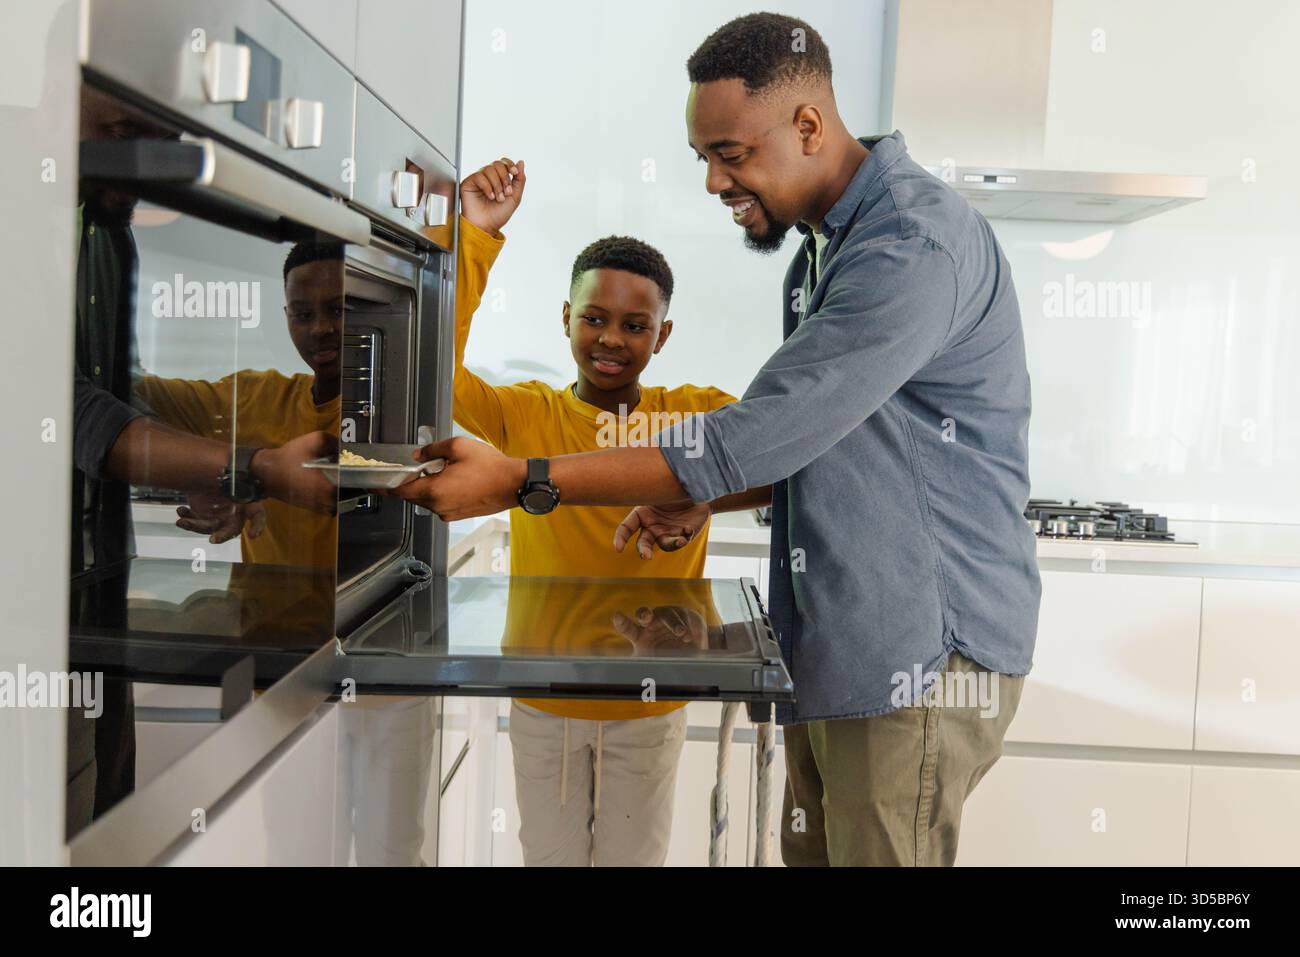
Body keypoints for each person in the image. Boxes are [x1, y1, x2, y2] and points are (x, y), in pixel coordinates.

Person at [397, 13, 1041, 866]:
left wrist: (524, 479)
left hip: (917, 657)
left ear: (808, 126)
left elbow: (761, 432)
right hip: (847, 647)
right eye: (704, 157)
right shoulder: (825, 252)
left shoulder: (908, 246)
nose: (712, 182)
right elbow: (816, 442)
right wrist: (706, 489)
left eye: (729, 155)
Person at [451, 156, 737, 865]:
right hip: (544, 694)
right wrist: (476, 238)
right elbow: (437, 367)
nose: (611, 338)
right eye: (595, 318)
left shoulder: (698, 414)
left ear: (661, 337)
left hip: (651, 702)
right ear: (566, 319)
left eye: (635, 325)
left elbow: (785, 447)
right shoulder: (526, 414)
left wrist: (705, 498)